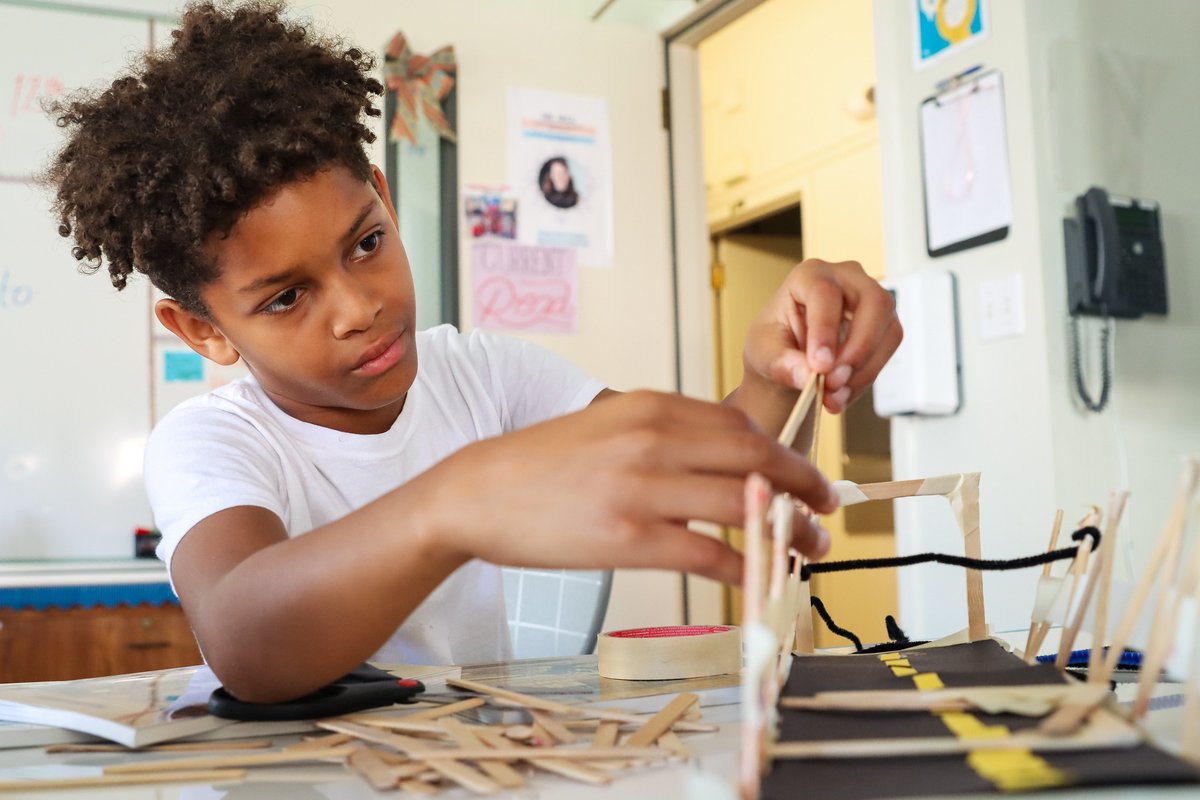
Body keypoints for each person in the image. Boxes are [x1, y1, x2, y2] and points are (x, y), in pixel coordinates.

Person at [43, 1, 901, 703]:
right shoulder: (215, 443)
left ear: (382, 196)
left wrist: (769, 369)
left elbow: (704, 462)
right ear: (203, 330)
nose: (359, 308)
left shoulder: (484, 373)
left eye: (366, 244)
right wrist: (446, 504)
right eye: (286, 297)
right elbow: (246, 641)